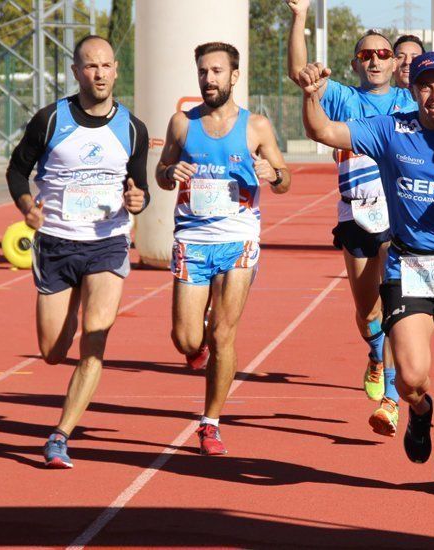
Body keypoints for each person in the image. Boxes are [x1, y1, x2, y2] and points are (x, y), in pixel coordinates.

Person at [300, 49, 434, 495]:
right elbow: (321, 129)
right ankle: (421, 411)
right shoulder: (391, 130)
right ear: (413, 90)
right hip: (407, 266)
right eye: (425, 85)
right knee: (411, 378)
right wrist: (312, 96)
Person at [287, 0, 434, 436]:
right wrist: (299, 20)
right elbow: (303, 83)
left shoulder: (411, 99)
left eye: (383, 54)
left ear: (398, 66)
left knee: (396, 307)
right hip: (356, 208)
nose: (375, 59)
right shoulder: (343, 97)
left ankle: (394, 398)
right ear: (356, 62)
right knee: (367, 311)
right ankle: (376, 354)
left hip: (399, 216)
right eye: (366, 54)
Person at [5, 35, 150, 469]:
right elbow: (17, 170)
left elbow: (138, 188)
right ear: (76, 71)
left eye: (106, 65)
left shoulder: (132, 128)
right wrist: (28, 206)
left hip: (107, 243)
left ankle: (60, 434)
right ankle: (69, 306)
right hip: (55, 244)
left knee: (96, 341)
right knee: (52, 351)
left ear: (117, 69)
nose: (99, 73)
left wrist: (140, 202)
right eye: (90, 66)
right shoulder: (50, 120)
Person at [155, 42, 291, 456]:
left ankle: (210, 423)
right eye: (203, 72)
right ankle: (196, 349)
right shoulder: (182, 124)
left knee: (224, 333)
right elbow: (162, 175)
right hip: (193, 240)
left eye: (217, 71)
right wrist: (168, 171)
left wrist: (274, 173)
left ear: (234, 76)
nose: (209, 79)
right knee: (185, 338)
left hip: (238, 238)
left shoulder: (257, 127)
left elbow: (284, 180)